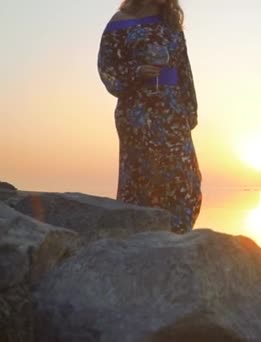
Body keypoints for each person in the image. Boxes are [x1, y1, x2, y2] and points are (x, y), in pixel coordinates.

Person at [98, 0, 202, 234]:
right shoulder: (120, 22)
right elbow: (107, 67)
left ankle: (175, 239)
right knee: (142, 179)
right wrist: (136, 71)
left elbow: (184, 69)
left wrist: (190, 109)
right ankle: (141, 242)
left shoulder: (171, 23)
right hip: (137, 112)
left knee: (188, 181)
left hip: (172, 110)